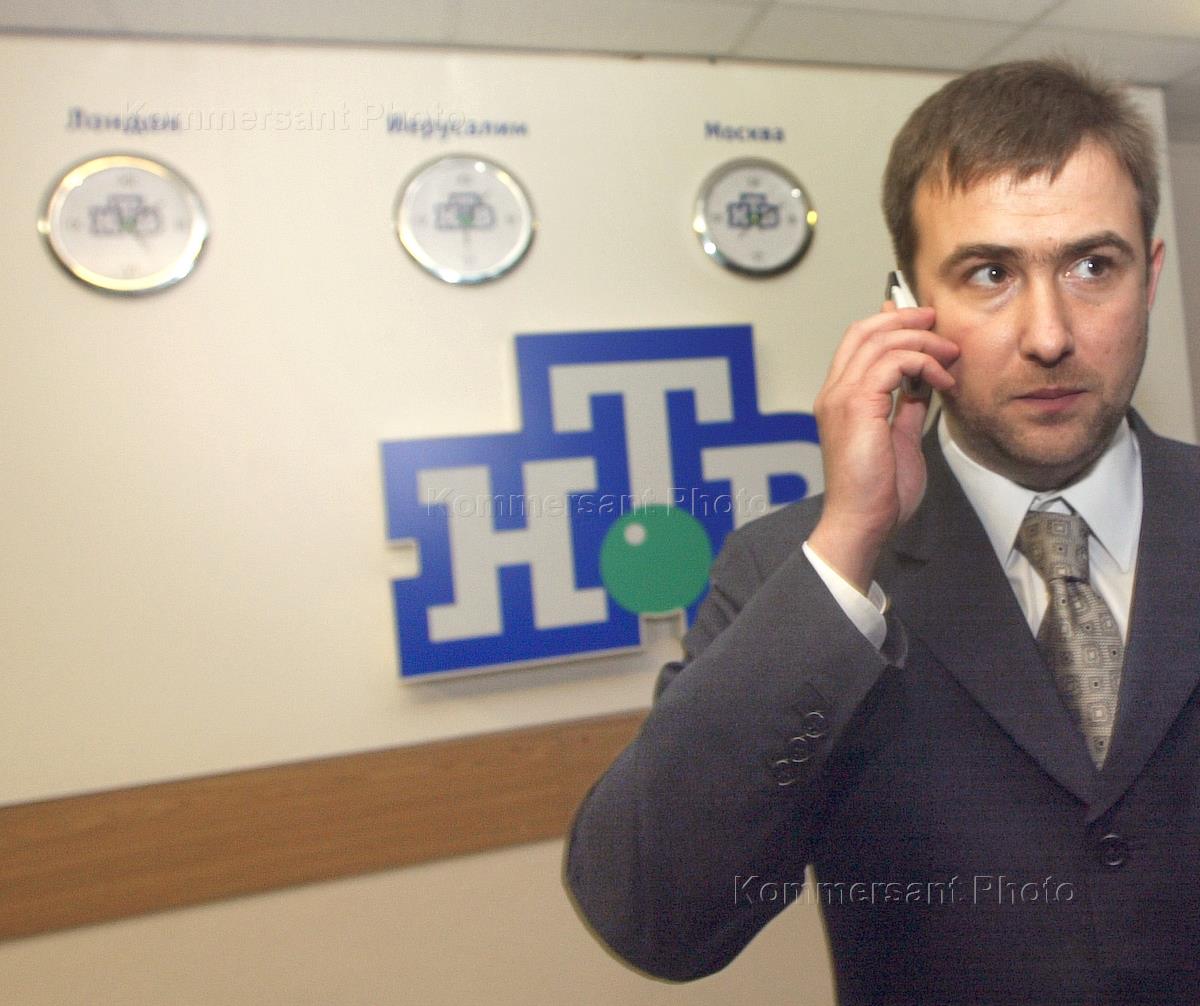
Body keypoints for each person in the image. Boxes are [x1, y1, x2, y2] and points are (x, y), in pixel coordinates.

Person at [564, 59, 1200, 1005]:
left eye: (1092, 266)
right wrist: (848, 547)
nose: (1050, 334)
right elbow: (654, 915)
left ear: (1150, 277)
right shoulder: (794, 570)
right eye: (990, 273)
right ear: (907, 306)